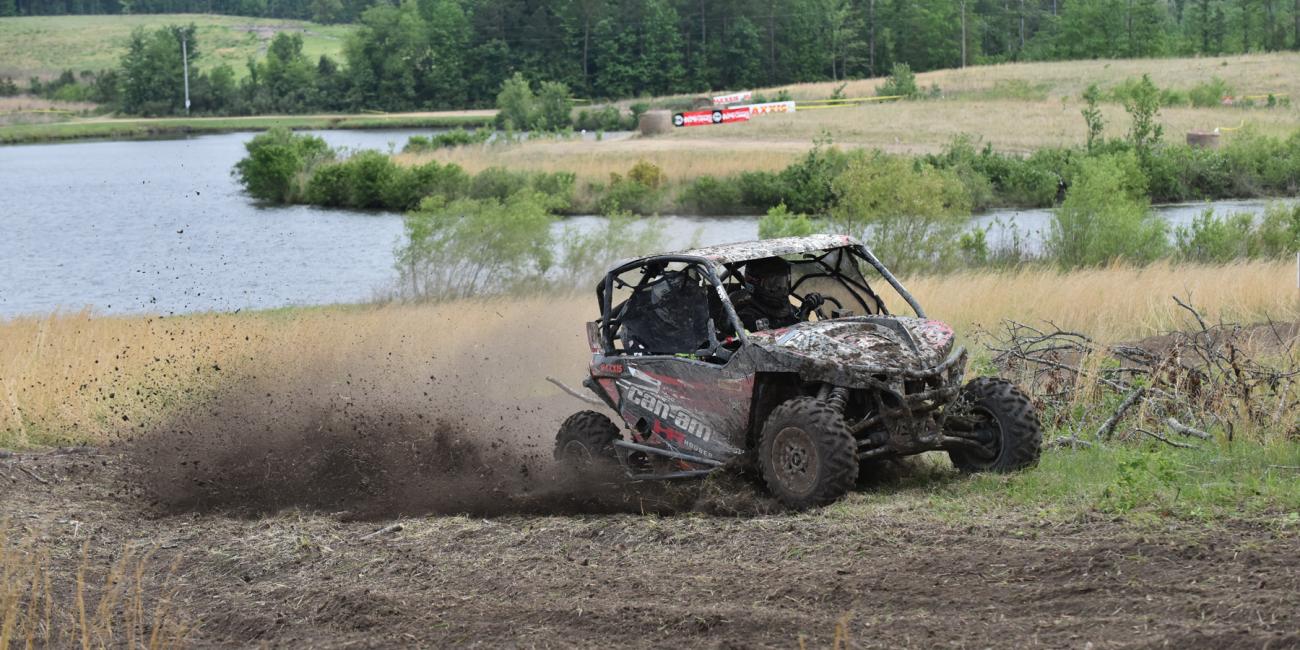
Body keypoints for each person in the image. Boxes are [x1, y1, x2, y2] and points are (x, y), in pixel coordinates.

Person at [727, 257, 823, 331]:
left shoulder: (785, 307)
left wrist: (806, 309)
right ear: (754, 283)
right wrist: (798, 320)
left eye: (782, 282)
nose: (780, 288)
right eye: (773, 283)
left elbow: (800, 331)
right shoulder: (746, 315)